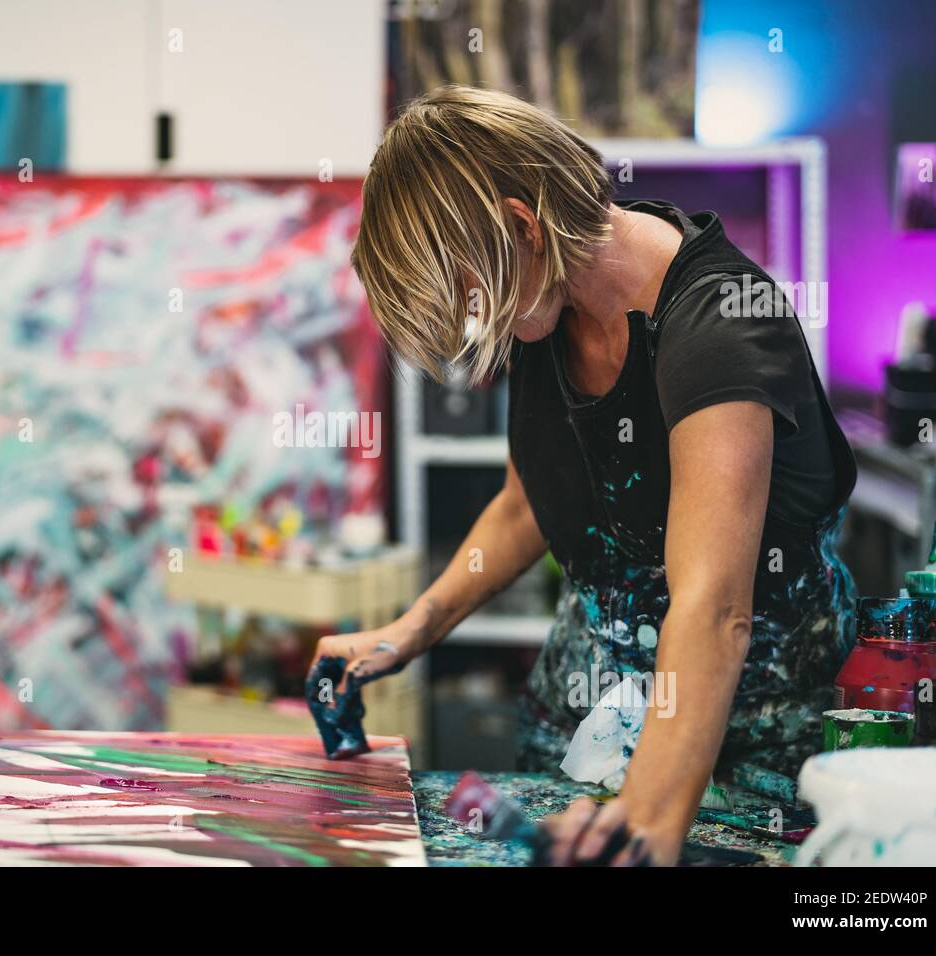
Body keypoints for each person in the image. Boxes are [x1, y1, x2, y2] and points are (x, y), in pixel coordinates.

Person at [314, 85, 857, 866]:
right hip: (588, 709)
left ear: (520, 227)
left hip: (742, 739)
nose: (478, 325)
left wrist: (642, 813)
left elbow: (713, 610)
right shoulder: (544, 296)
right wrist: (409, 632)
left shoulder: (721, 326)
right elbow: (523, 505)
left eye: (469, 295)